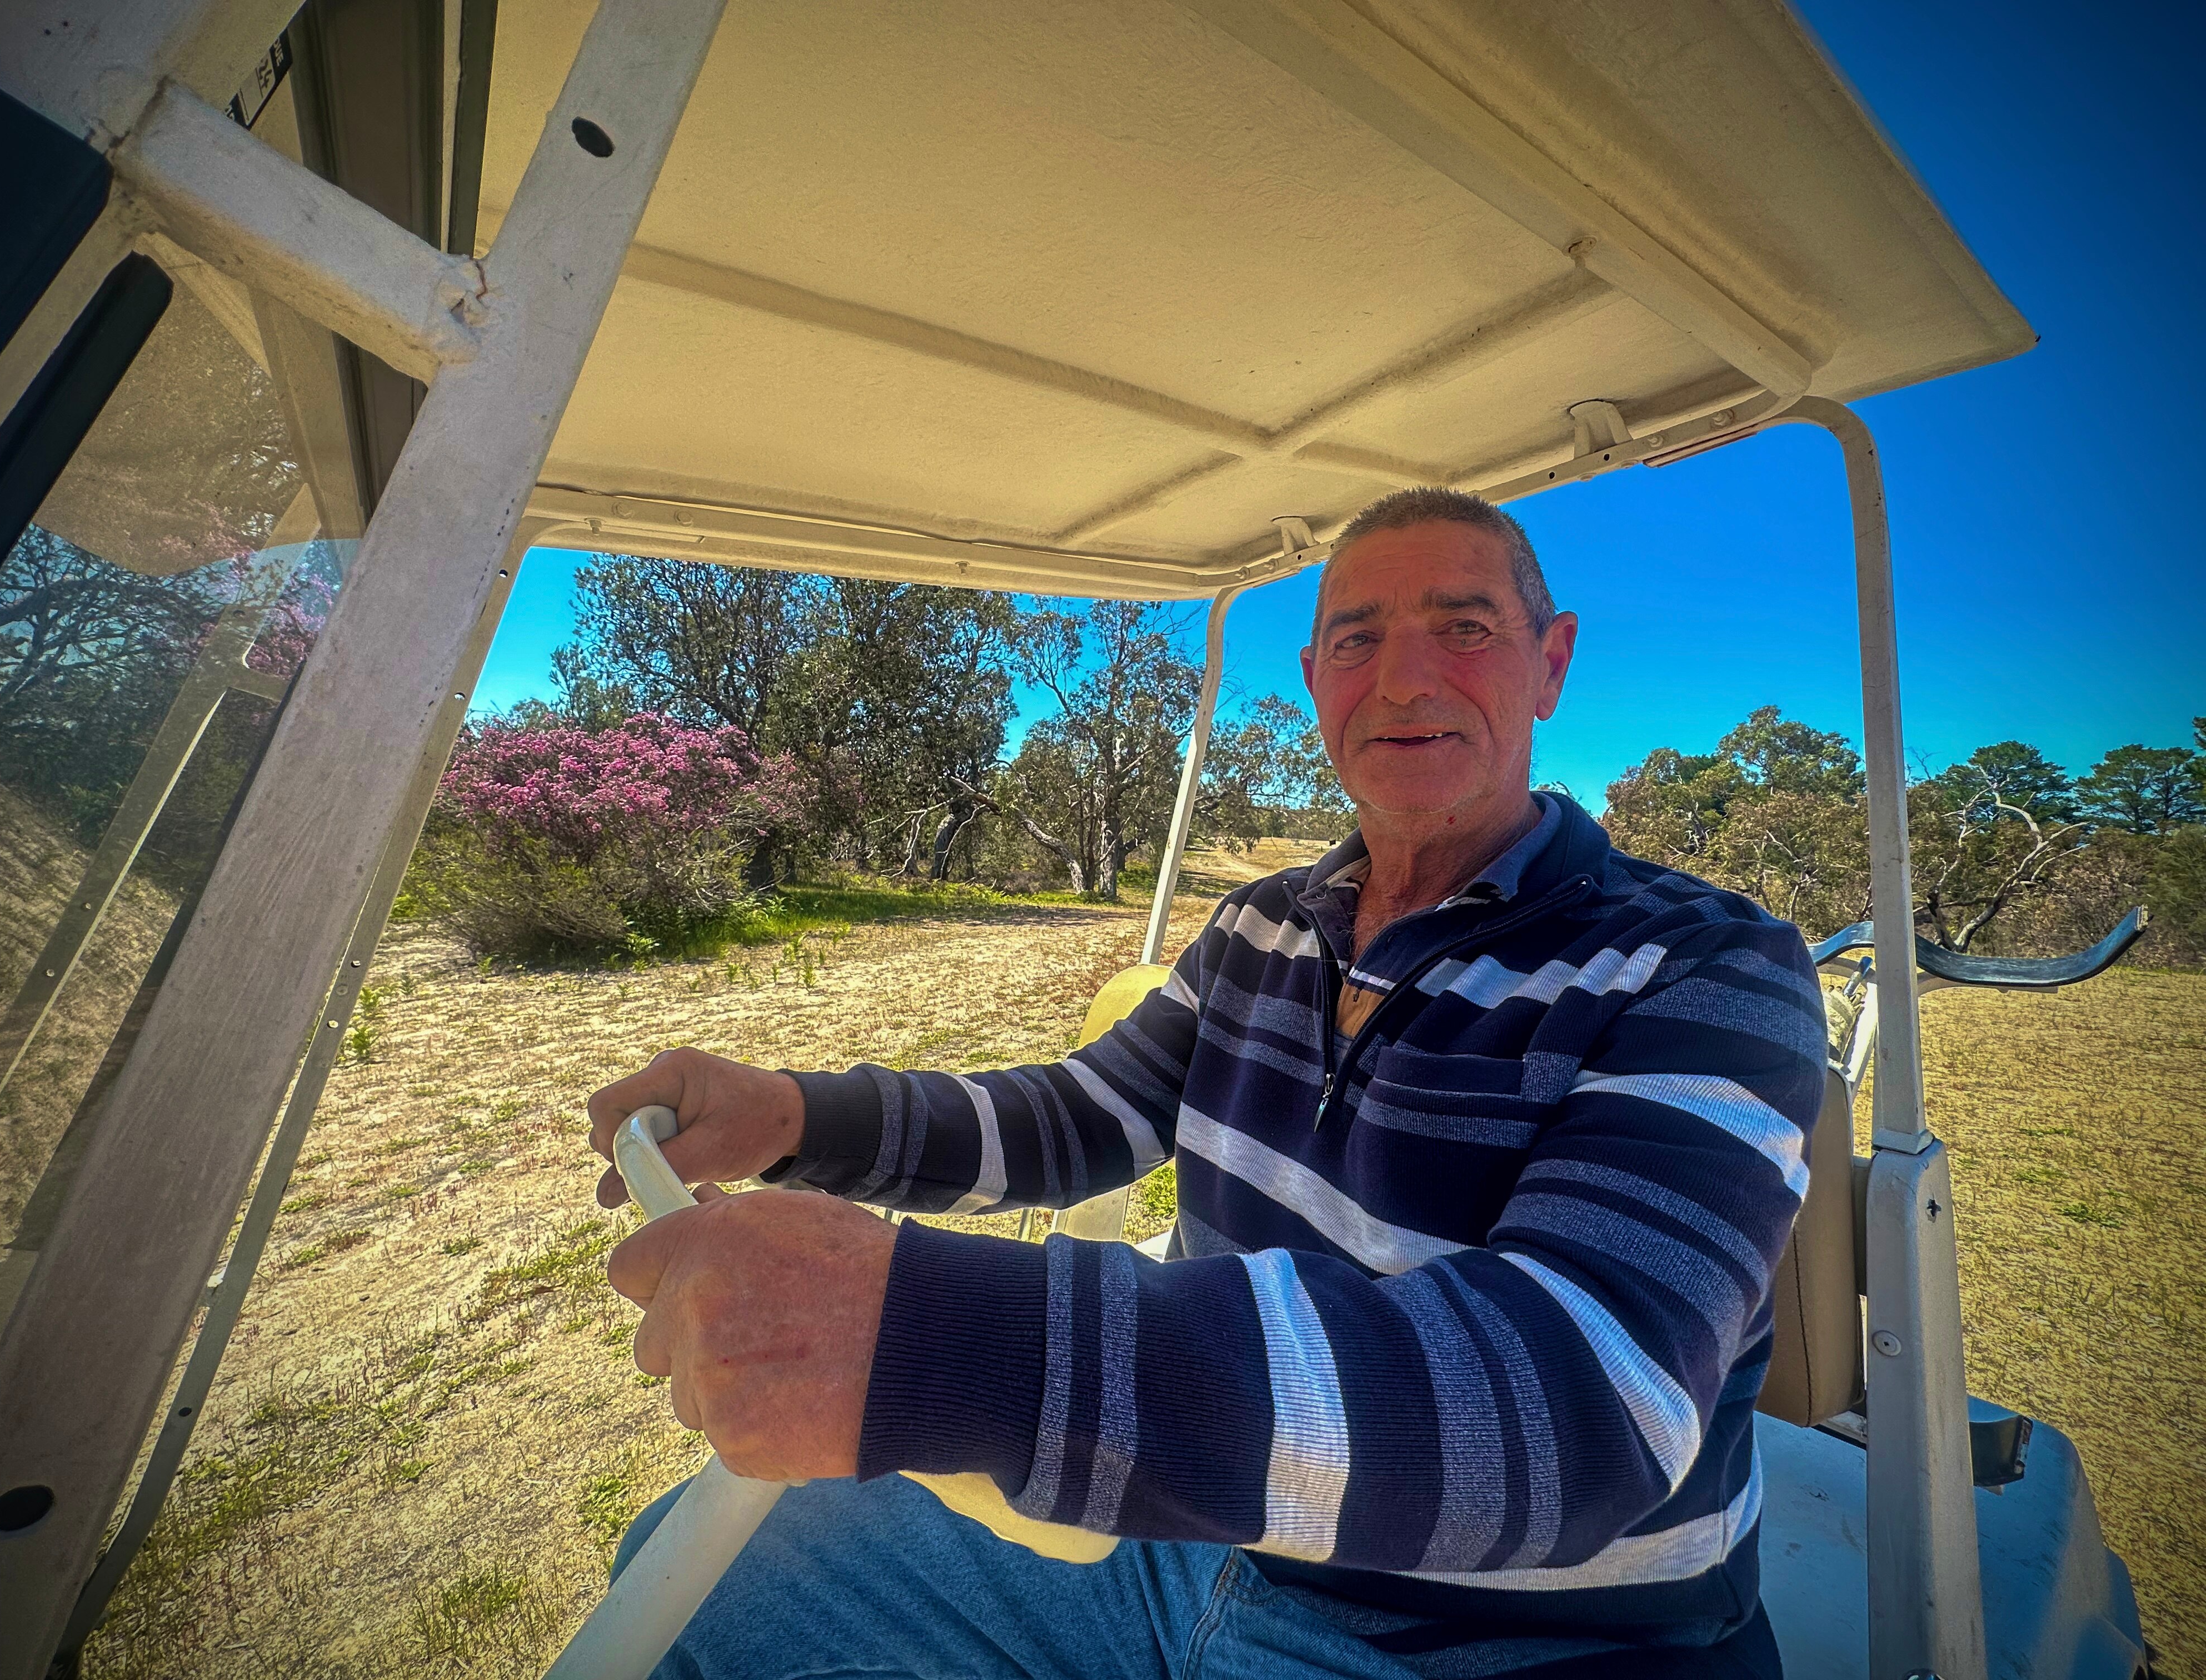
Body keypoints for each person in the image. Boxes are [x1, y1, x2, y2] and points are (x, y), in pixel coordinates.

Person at [589, 487, 1824, 1678]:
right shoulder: (1262, 929)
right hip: (1193, 1553)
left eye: (1464, 628)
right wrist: (794, 1118)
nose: (1402, 680)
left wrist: (929, 1338)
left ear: (1550, 663)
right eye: (1359, 640)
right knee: (711, 1585)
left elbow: (1575, 1409)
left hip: (1523, 1652)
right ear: (1314, 681)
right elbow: (1083, 1117)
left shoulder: (1705, 964)